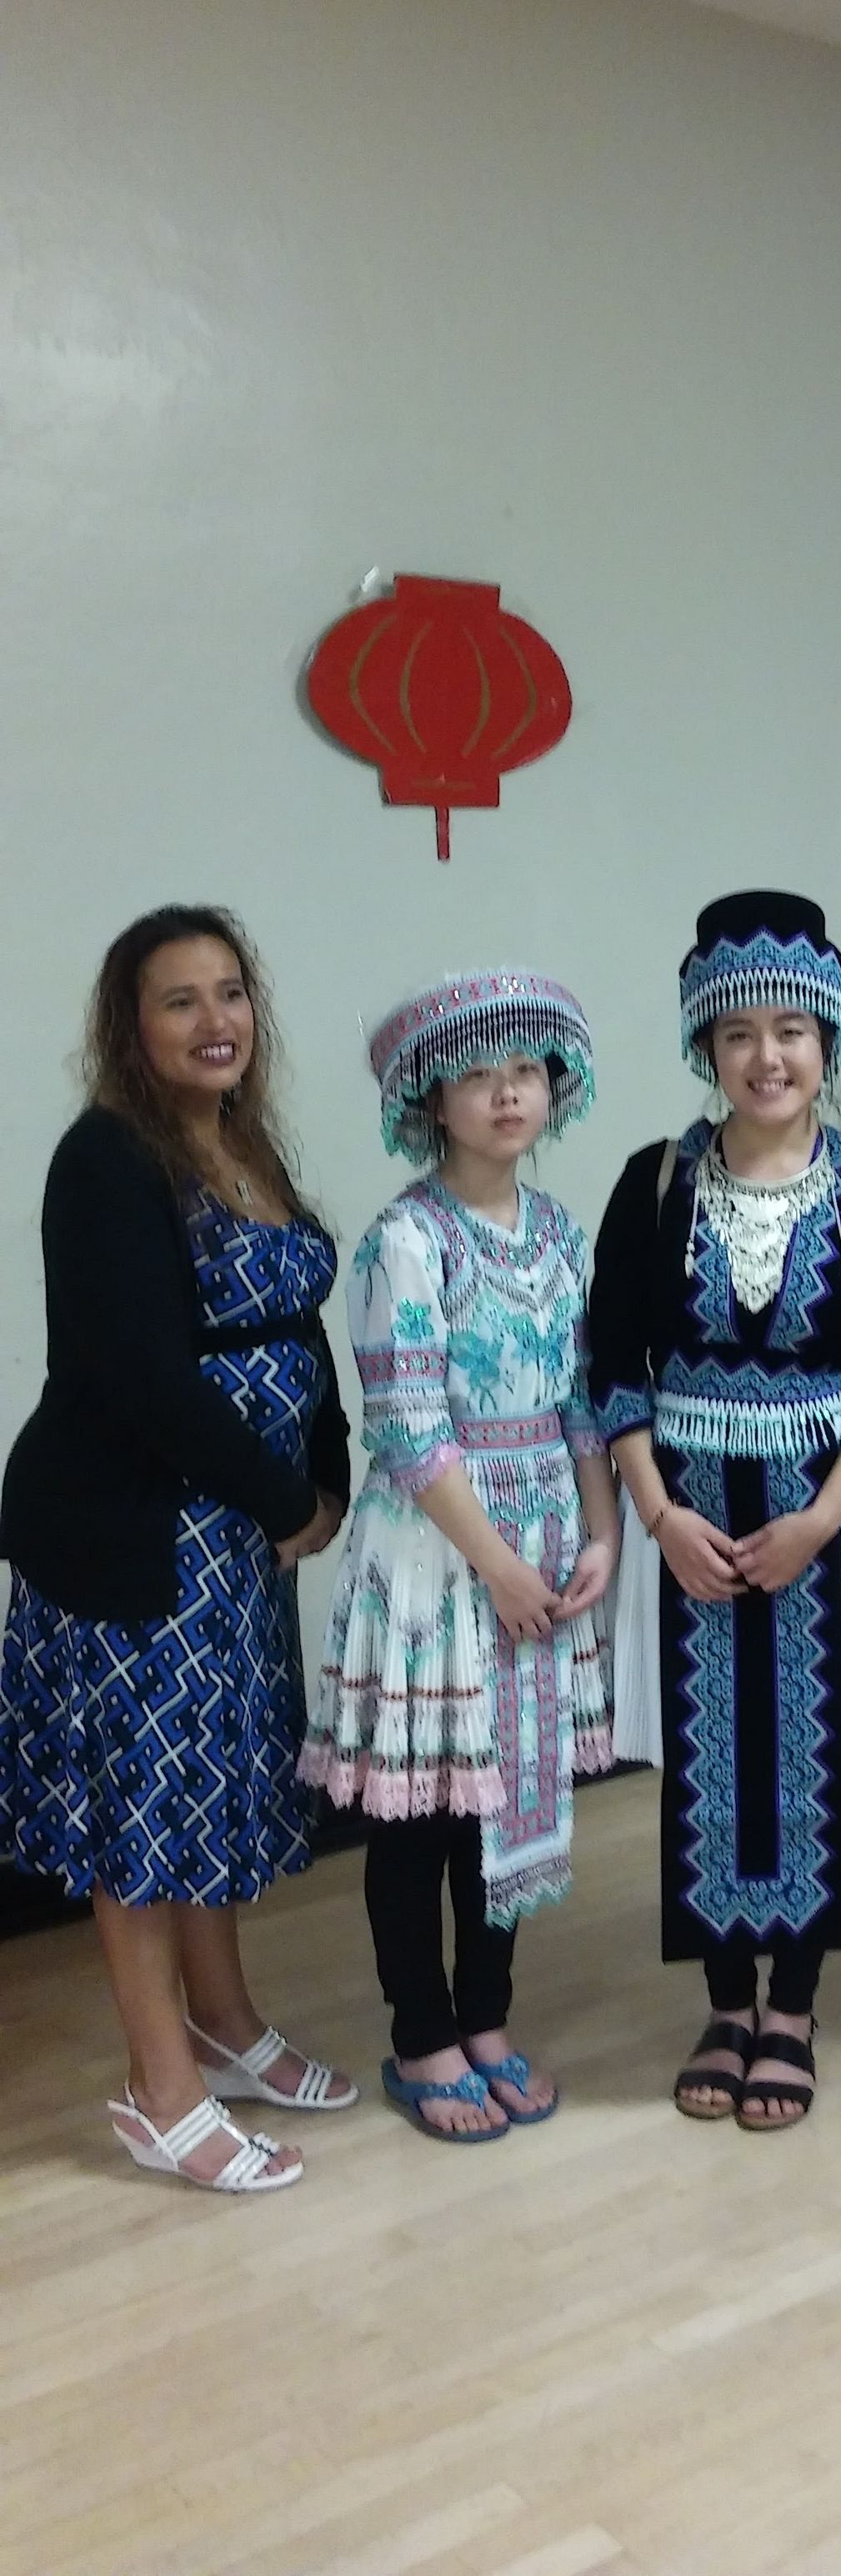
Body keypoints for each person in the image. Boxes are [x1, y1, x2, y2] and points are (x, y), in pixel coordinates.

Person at [0, 907, 353, 2194]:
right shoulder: (106, 1158)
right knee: (141, 1818)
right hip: (135, 1538)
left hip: (233, 1544)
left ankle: (227, 2023)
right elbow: (145, 1377)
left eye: (230, 992)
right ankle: (162, 2091)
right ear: (129, 1025)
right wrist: (282, 1497)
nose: (215, 1021)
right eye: (180, 999)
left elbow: (294, 1324)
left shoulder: (241, 1139)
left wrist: (326, 1473)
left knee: (211, 1788)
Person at [589, 891, 841, 2132]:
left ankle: (794, 2007)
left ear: (827, 1042)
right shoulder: (656, 1184)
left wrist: (817, 1523)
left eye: (791, 1030)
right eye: (739, 1033)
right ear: (706, 1045)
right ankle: (725, 2001)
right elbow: (612, 1367)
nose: (767, 1056)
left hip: (822, 1514)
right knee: (705, 1758)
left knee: (807, 1759)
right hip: (686, 1512)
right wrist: (658, 1516)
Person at [299, 972, 618, 2142]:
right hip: (438, 1553)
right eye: (478, 1075)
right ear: (430, 1100)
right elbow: (410, 1427)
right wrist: (496, 1565)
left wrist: (600, 1531)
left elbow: (585, 1401)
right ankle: (420, 2033)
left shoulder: (560, 1233)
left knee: (511, 1795)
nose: (507, 1093)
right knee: (422, 1811)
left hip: (541, 1542)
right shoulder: (405, 1240)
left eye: (525, 1070)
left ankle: (487, 2017)